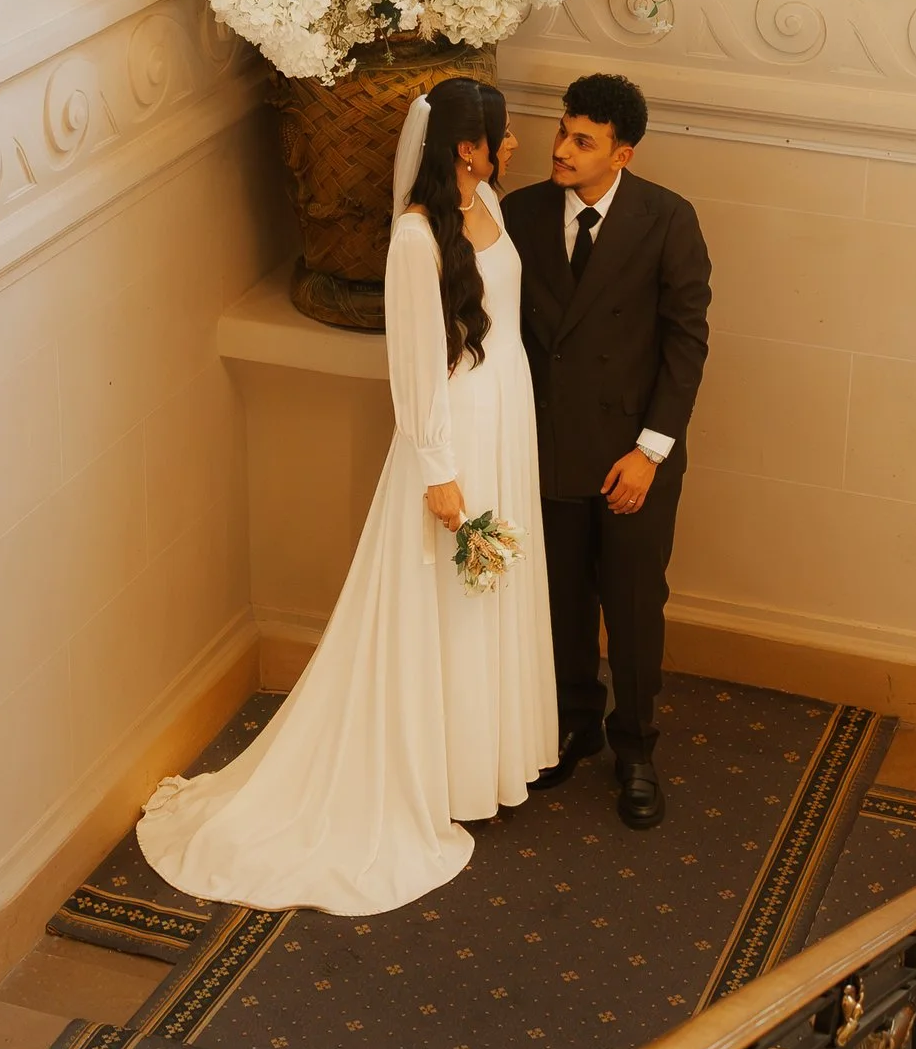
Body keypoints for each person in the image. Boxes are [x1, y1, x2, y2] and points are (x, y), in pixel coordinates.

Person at [138, 74, 558, 911]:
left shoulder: (493, 209)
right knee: (443, 593)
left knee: (492, 590)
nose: (516, 144)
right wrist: (440, 472)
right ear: (468, 146)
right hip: (454, 430)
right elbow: (410, 361)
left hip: (508, 412)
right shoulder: (413, 241)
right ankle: (429, 772)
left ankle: (483, 759)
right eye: (503, 134)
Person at [505, 72, 711, 830]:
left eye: (582, 141)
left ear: (622, 153)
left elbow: (686, 345)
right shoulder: (520, 213)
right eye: (563, 132)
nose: (561, 148)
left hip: (633, 456)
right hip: (549, 447)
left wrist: (649, 453)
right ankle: (576, 723)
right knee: (559, 602)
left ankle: (635, 751)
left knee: (630, 608)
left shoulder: (668, 220)